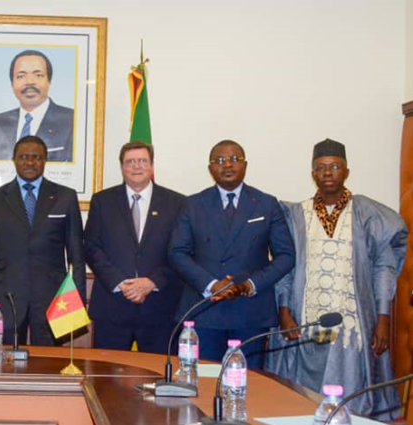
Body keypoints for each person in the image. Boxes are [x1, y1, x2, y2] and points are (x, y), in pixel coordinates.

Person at [266, 139, 406, 420]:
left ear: (346, 172)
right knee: (303, 401)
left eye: (334, 167)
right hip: (306, 322)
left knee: (351, 401)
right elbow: (285, 267)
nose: (327, 173)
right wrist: (284, 311)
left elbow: (384, 267)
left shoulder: (369, 214)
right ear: (312, 174)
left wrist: (383, 317)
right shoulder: (295, 215)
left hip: (352, 327)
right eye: (321, 168)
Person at [169, 139, 294, 369]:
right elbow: (177, 252)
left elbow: (286, 255)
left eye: (234, 159)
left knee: (250, 383)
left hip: (250, 311)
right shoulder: (193, 204)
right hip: (204, 309)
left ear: (245, 165)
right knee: (203, 383)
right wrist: (211, 284)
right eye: (219, 160)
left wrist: (249, 284)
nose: (227, 165)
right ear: (210, 168)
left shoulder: (266, 204)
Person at [0, 135, 86, 346]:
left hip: (53, 301)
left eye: (36, 157)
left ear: (45, 161)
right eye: (23, 157)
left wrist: (77, 302)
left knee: (48, 367)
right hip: (5, 301)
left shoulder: (65, 197)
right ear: (14, 160)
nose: (29, 162)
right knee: (3, 367)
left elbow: (76, 258)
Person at [84, 142, 185, 353]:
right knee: (107, 377)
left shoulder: (177, 203)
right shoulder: (103, 201)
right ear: (122, 167)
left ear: (151, 166)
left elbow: (182, 251)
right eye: (130, 161)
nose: (136, 166)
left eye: (142, 161)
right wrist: (121, 283)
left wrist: (152, 282)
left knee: (158, 379)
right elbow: (92, 248)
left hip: (160, 307)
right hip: (113, 306)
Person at [0, 50, 75, 162]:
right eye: (21, 76)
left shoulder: (71, 120)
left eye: (38, 75)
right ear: (12, 84)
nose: (29, 82)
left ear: (49, 81)